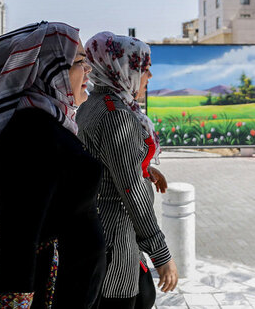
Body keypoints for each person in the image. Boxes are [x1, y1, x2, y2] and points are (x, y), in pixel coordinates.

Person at [0, 21, 106, 308]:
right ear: (48, 69)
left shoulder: (47, 123)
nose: (88, 71)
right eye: (80, 62)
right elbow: (18, 233)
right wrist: (14, 300)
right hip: (53, 291)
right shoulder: (32, 132)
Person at [76, 32, 178, 309]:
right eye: (144, 69)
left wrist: (147, 171)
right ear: (123, 70)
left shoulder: (94, 104)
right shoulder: (115, 115)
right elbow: (130, 191)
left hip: (106, 234)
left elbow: (105, 163)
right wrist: (162, 256)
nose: (149, 77)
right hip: (115, 241)